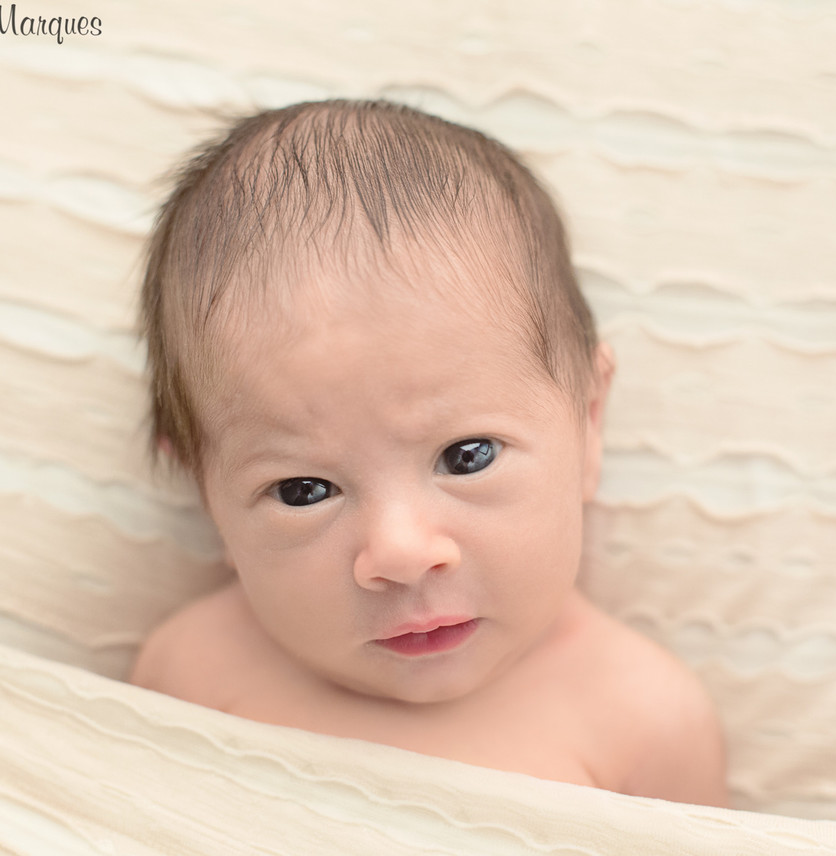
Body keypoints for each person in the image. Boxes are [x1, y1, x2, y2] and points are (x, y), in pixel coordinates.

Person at [130, 99, 726, 805]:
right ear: (208, 496)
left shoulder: (643, 720)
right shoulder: (195, 675)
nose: (401, 553)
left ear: (588, 422)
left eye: (467, 457)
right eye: (303, 491)